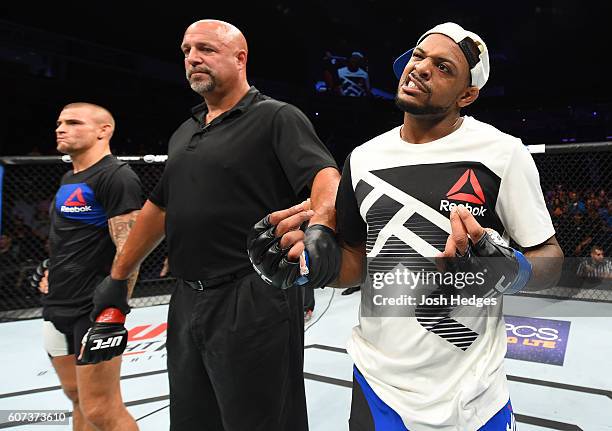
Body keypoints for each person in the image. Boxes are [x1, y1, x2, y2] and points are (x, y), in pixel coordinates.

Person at [249, 22, 564, 430]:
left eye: (444, 67)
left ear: (467, 95)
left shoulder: (503, 154)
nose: (421, 68)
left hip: (472, 392)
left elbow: (550, 258)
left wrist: (509, 270)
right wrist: (309, 267)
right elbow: (357, 261)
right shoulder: (363, 158)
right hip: (378, 382)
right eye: (418, 57)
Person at [87, 19, 340, 431]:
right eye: (186, 51)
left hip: (254, 296)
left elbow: (324, 176)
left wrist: (322, 228)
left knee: (261, 422)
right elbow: (159, 208)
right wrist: (118, 276)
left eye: (205, 48)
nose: (192, 58)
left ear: (240, 58)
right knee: (192, 419)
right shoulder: (186, 132)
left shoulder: (276, 117)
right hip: (187, 298)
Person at [37, 102, 142, 430]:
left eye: (73, 122)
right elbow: (70, 237)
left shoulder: (116, 176)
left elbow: (130, 248)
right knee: (76, 397)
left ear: (103, 131)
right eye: (59, 122)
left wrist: (114, 308)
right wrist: (51, 268)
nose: (61, 127)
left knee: (102, 409)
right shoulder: (70, 176)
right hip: (58, 303)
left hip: (93, 308)